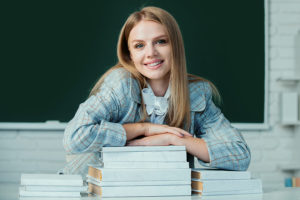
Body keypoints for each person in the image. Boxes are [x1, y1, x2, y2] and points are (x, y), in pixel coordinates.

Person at [62, 6, 250, 175]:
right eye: (139, 45)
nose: (151, 53)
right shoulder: (121, 85)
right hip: (90, 191)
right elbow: (74, 138)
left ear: (175, 46)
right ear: (130, 55)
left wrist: (174, 140)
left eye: (160, 41)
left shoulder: (196, 94)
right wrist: (143, 129)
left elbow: (239, 155)